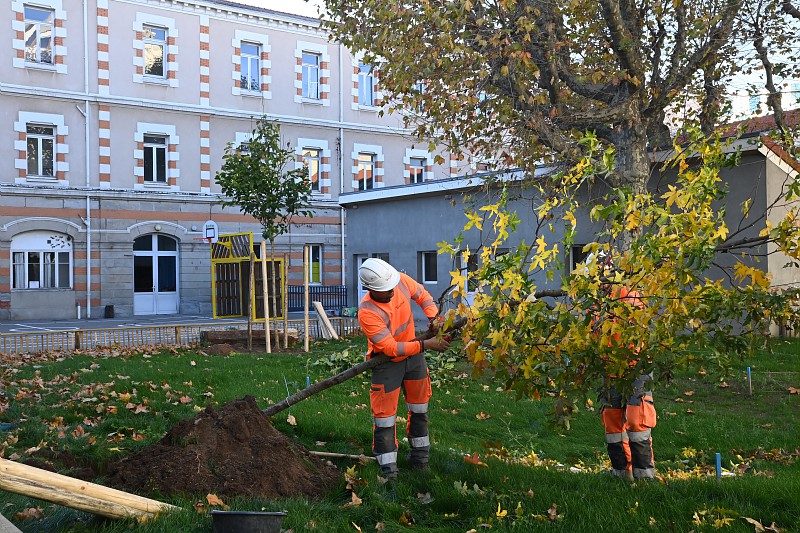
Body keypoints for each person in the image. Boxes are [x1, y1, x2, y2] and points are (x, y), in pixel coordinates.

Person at [357, 258, 451, 480]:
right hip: (386, 364)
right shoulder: (367, 311)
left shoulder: (398, 280)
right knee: (385, 419)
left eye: (390, 287)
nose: (390, 292)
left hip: (414, 358)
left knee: (420, 409)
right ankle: (389, 472)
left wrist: (435, 319)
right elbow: (389, 348)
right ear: (370, 289)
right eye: (384, 291)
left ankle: (420, 460)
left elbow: (423, 295)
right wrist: (426, 345)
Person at [590, 252, 657, 481]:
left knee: (637, 423)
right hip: (609, 370)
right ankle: (621, 474)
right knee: (612, 423)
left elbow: (639, 335)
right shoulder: (597, 303)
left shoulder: (629, 297)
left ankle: (645, 478)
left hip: (634, 368)